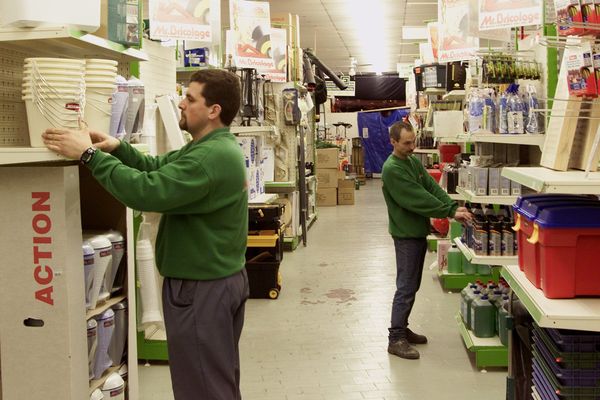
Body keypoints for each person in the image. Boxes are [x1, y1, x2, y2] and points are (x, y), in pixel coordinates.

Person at [43, 69, 250, 399]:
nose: (181, 103)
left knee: (203, 388)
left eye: (190, 98)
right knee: (215, 381)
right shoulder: (211, 148)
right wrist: (117, 148)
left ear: (214, 110)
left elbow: (147, 192)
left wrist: (89, 155)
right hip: (215, 281)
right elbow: (158, 168)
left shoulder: (210, 156)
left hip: (202, 288)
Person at [381, 121, 472, 360]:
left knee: (412, 285)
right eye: (406, 143)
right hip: (406, 235)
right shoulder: (392, 169)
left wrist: (452, 205)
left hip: (417, 231)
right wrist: (449, 212)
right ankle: (395, 338)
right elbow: (418, 198)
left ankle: (402, 327)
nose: (412, 147)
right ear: (393, 142)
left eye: (413, 141)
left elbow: (431, 187)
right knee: (406, 287)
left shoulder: (411, 162)